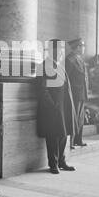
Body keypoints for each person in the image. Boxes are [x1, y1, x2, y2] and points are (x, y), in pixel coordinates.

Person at [37, 39, 76, 174]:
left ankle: (62, 161)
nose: (60, 53)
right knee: (53, 136)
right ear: (51, 51)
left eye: (61, 51)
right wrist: (52, 105)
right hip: (52, 108)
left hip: (63, 107)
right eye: (58, 50)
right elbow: (42, 89)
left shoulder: (60, 66)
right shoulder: (43, 66)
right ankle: (53, 164)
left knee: (63, 134)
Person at [66, 38, 88, 148]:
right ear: (77, 47)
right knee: (73, 118)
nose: (84, 48)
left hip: (81, 93)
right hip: (74, 94)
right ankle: (71, 142)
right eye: (82, 46)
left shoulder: (79, 59)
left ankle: (78, 140)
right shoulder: (69, 60)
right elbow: (67, 79)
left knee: (80, 118)